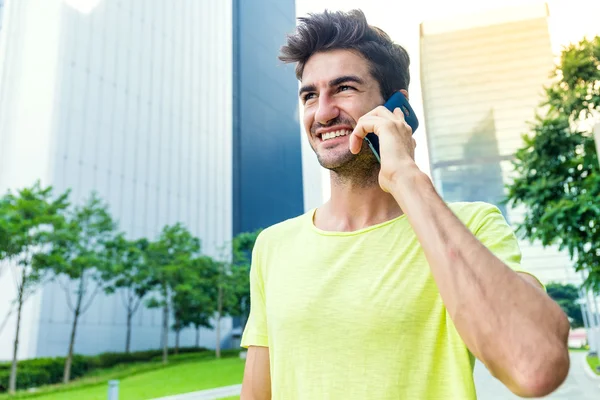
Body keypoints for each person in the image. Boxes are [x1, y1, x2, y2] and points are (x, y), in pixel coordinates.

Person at [240, 9, 570, 400]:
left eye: (344, 88)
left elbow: (535, 365)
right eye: (310, 95)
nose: (323, 112)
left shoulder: (472, 225)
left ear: (397, 106)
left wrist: (404, 176)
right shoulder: (273, 246)